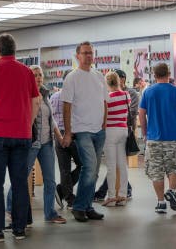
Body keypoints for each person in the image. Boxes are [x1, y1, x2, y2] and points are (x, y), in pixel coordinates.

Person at [0, 35, 40, 241]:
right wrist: (27, 125)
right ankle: (19, 229)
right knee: (20, 182)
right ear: (14, 50)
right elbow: (36, 102)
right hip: (22, 135)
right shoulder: (26, 72)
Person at [6, 65, 67, 225]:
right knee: (20, 177)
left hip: (47, 143)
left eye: (40, 74)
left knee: (50, 180)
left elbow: (51, 118)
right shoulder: (23, 94)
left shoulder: (46, 94)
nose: (38, 77)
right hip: (31, 143)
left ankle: (50, 213)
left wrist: (59, 136)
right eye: (35, 75)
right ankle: (9, 208)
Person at [61, 41, 107, 223]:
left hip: (99, 130)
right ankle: (79, 206)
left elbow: (105, 102)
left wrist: (104, 123)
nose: (89, 56)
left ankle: (87, 206)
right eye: (85, 53)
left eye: (91, 53)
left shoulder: (99, 75)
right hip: (82, 130)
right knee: (89, 168)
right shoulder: (72, 77)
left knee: (94, 172)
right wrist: (68, 132)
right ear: (77, 56)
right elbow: (67, 106)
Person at [138, 62, 176, 214]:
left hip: (153, 138)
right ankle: (172, 191)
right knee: (175, 167)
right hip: (173, 138)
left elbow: (141, 113)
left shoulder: (148, 92)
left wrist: (145, 133)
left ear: (154, 75)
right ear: (169, 74)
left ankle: (161, 202)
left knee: (156, 170)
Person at [51, 74, 81, 210]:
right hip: (72, 134)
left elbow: (51, 118)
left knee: (64, 169)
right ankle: (64, 193)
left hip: (58, 134)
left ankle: (68, 197)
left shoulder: (54, 96)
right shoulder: (76, 97)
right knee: (84, 165)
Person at [102, 71, 131, 207]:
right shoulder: (126, 95)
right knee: (122, 165)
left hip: (110, 132)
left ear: (106, 83)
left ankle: (112, 197)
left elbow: (104, 116)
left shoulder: (108, 98)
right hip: (123, 130)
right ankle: (123, 196)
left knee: (111, 167)